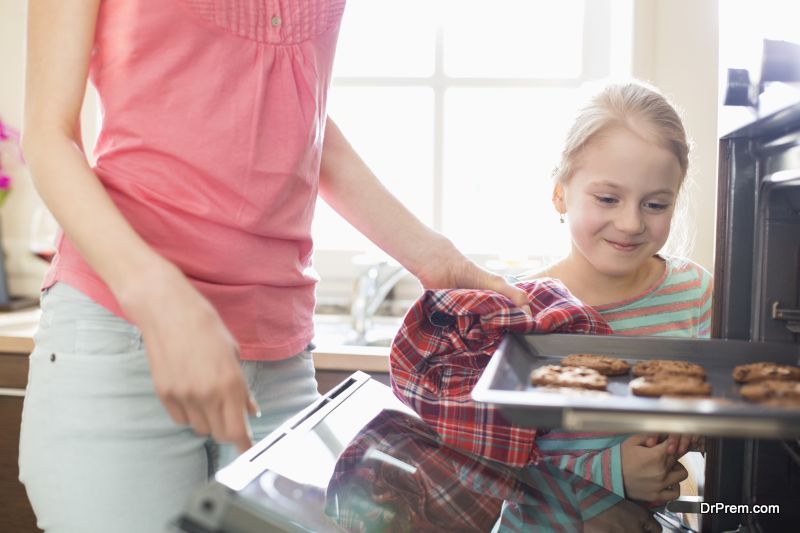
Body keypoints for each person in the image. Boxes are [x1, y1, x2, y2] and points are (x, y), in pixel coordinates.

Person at [18, 1, 528, 532]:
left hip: (279, 357)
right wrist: (161, 300)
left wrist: (434, 258)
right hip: (121, 336)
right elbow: (50, 135)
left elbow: (302, 119)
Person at [520, 80, 712, 507]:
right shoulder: (520, 309)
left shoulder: (696, 293)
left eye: (655, 204)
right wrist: (607, 480)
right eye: (608, 198)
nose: (630, 223)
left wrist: (698, 423)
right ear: (560, 195)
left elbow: (730, 417)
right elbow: (492, 460)